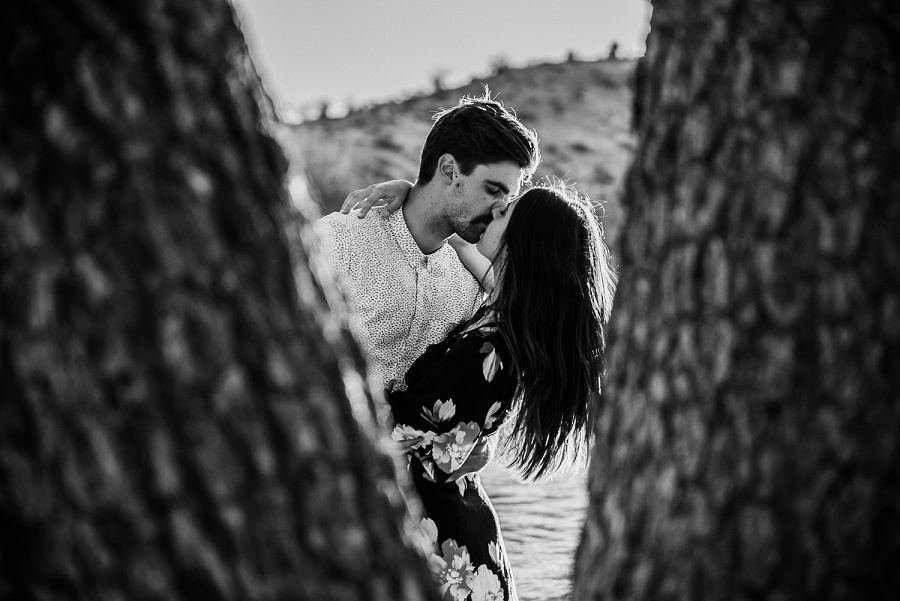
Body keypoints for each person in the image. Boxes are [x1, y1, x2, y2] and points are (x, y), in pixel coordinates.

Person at [355, 180, 616, 601]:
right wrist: (418, 197)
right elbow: (486, 269)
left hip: (447, 555)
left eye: (502, 214)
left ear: (523, 242)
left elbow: (400, 428)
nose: (491, 212)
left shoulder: (490, 347)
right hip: (459, 532)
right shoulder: (508, 323)